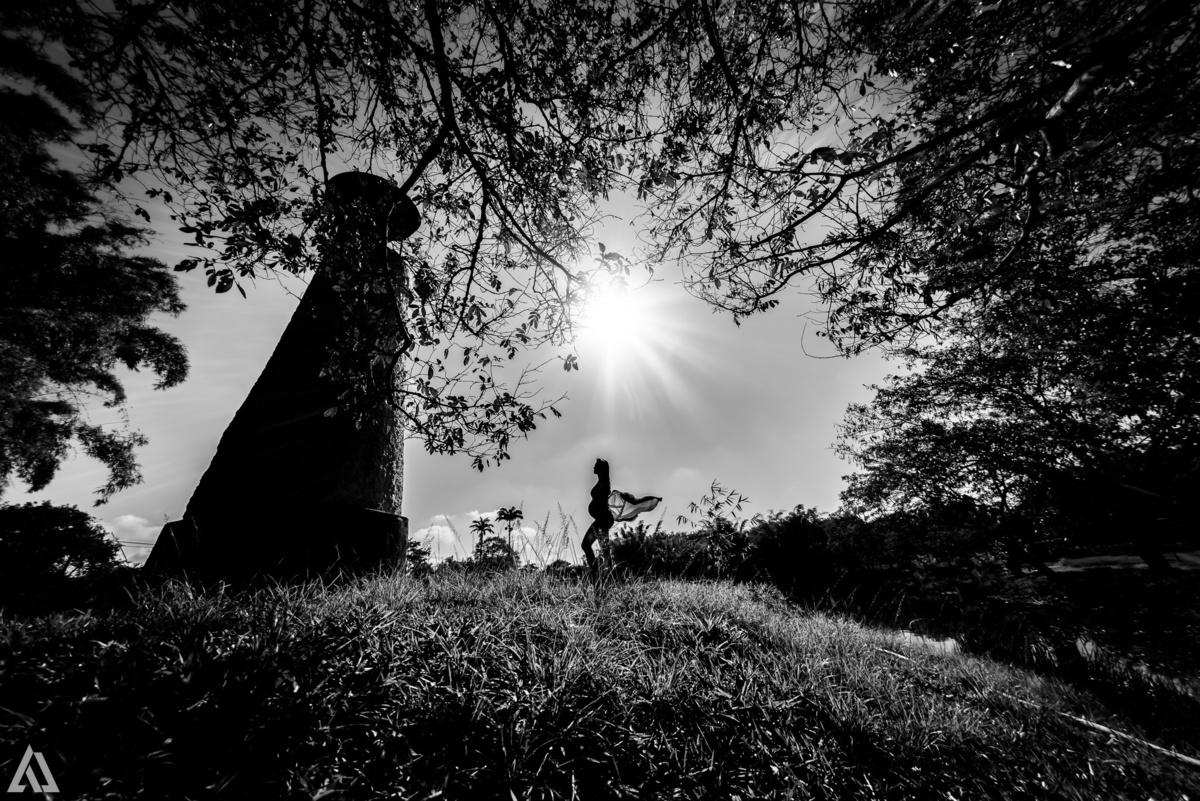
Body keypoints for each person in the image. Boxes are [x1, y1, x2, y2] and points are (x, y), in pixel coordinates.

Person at [581, 458, 661, 578]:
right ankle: (607, 577)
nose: (593, 467)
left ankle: (596, 574)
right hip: (603, 519)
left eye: (596, 465)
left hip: (603, 520)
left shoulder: (604, 483)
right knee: (605, 551)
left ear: (601, 469)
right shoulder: (601, 481)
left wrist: (644, 500)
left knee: (587, 546)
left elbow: (615, 499)